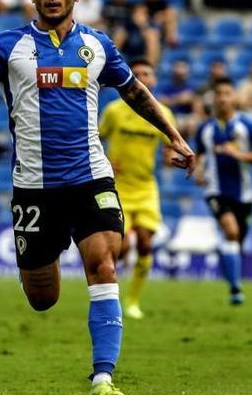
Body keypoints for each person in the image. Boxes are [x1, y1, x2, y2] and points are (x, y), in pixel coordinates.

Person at [0, 0, 195, 395]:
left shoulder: (97, 46)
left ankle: (103, 377)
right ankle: (54, 269)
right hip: (34, 191)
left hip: (91, 179)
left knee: (104, 264)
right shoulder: (7, 47)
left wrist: (174, 135)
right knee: (42, 298)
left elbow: (137, 93)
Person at [99, 58, 176, 320]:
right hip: (118, 188)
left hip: (145, 188)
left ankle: (132, 301)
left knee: (144, 242)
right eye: (138, 73)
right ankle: (110, 293)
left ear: (153, 80)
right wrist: (105, 159)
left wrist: (171, 158)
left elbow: (170, 146)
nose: (143, 76)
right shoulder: (113, 111)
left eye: (148, 73)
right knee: (123, 247)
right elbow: (94, 139)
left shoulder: (162, 112)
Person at [193, 78, 252, 305]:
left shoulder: (246, 126)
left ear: (235, 98)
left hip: (244, 194)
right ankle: (236, 287)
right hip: (215, 191)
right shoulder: (205, 129)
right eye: (219, 93)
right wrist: (199, 172)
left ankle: (231, 281)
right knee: (230, 230)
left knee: (236, 241)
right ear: (214, 98)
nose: (222, 98)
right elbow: (199, 155)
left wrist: (240, 155)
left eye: (228, 93)